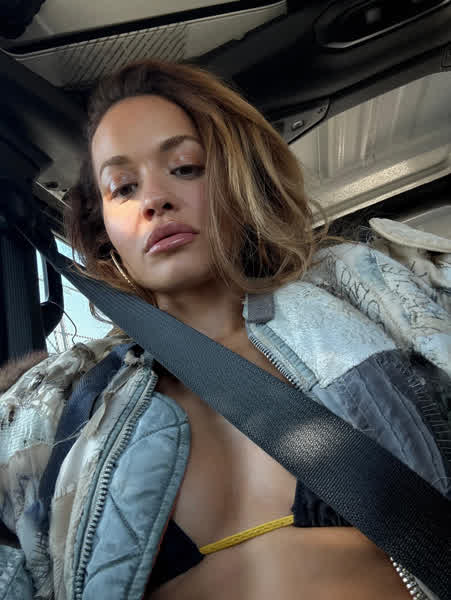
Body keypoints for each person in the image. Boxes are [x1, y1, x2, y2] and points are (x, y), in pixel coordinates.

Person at [0, 58, 449, 600]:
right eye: (123, 187)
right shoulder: (57, 406)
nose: (154, 199)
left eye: (185, 167)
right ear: (103, 231)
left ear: (240, 177)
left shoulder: (376, 293)